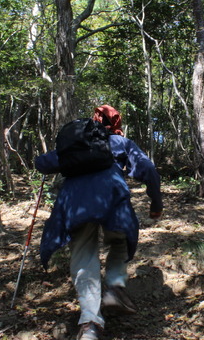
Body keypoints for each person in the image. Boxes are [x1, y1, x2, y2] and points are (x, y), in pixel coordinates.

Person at [34, 105, 164, 340]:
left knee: (84, 256)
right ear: (117, 124)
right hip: (111, 200)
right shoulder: (119, 143)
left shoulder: (76, 147)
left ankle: (90, 325)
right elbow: (148, 168)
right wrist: (156, 204)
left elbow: (43, 163)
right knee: (119, 241)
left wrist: (53, 155)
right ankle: (115, 287)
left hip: (75, 204)